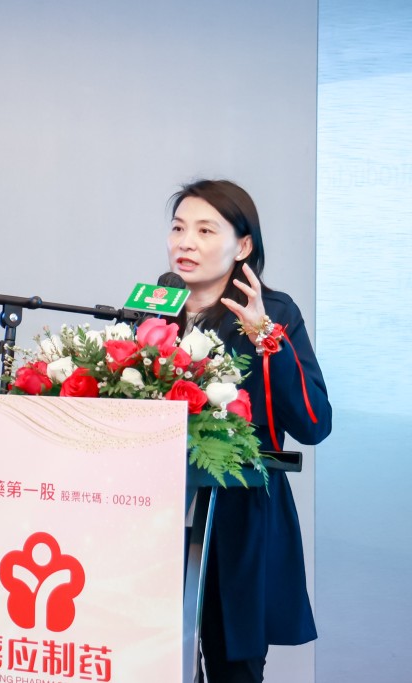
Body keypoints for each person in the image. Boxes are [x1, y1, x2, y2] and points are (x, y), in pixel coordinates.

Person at [166, 179, 332, 682]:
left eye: (204, 230)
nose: (185, 242)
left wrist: (266, 338)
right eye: (178, 228)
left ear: (242, 247)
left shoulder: (274, 313)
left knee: (232, 665)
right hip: (158, 511)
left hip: (239, 514)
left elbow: (313, 422)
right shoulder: (154, 307)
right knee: (152, 655)